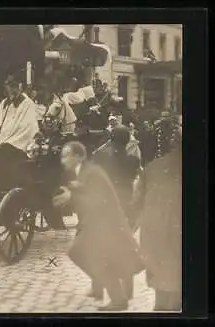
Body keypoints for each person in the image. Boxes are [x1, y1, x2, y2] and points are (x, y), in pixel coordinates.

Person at [53, 141, 144, 311]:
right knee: (90, 255)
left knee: (81, 253)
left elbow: (97, 201)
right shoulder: (83, 172)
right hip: (95, 223)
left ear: (79, 156)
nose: (63, 160)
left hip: (103, 224)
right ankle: (108, 293)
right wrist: (71, 196)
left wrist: (71, 197)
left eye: (67, 156)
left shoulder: (93, 173)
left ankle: (117, 298)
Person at [91, 126, 143, 301]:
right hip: (125, 208)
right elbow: (141, 180)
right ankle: (128, 291)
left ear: (111, 140)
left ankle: (97, 288)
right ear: (128, 141)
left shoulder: (101, 157)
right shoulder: (133, 161)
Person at [139, 125, 182, 311]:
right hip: (177, 232)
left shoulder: (153, 167)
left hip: (155, 231)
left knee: (162, 285)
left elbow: (138, 201)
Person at [0, 71, 40, 192]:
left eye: (14, 86)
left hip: (17, 143)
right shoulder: (4, 103)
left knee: (1, 153)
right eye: (9, 86)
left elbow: (27, 129)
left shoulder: (28, 104)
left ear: (21, 86)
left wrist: (5, 141)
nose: (11, 89)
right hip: (0, 140)